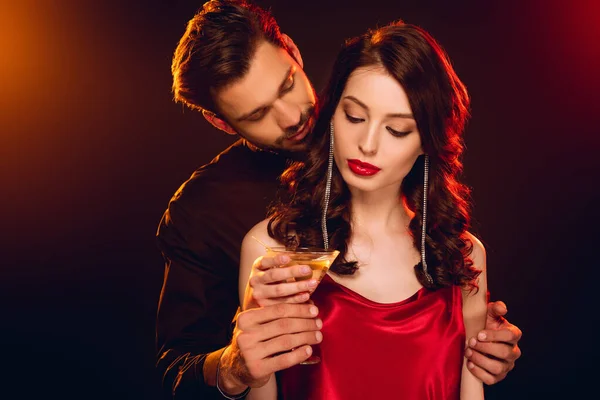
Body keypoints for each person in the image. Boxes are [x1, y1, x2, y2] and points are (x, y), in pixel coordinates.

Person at [156, 1, 522, 398]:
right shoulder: (207, 214)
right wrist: (232, 367)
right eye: (257, 113)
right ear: (221, 123)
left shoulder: (376, 96)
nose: (292, 117)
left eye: (287, 84)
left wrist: (476, 345)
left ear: (293, 53)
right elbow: (177, 368)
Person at [239, 20, 495, 399]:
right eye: (355, 117)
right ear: (331, 115)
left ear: (428, 142)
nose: (368, 144)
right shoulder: (271, 252)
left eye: (397, 130)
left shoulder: (463, 257)